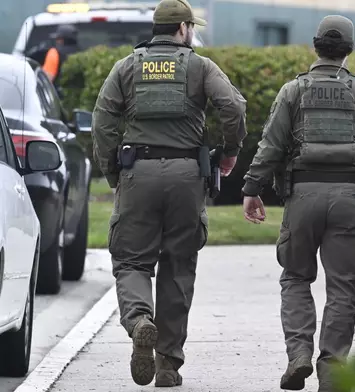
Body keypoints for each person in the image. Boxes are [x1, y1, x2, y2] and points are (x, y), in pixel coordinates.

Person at [240, 15, 355, 392]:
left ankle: (298, 354)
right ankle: (331, 372)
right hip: (348, 200)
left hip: (302, 197)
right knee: (344, 288)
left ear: (315, 46)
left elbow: (271, 146)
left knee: (296, 277)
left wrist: (252, 188)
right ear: (349, 49)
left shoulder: (292, 92)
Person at [91, 0, 247, 387]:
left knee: (131, 261)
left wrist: (113, 171)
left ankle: (141, 319)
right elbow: (232, 106)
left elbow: (103, 120)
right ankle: (167, 365)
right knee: (178, 268)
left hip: (137, 173)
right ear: (182, 29)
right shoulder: (200, 66)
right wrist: (229, 154)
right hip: (186, 175)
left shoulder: (126, 67)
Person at [42, 24, 80, 89]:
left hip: (58, 96)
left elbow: (47, 80)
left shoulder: (54, 52)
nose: (56, 41)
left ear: (62, 40)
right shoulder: (81, 53)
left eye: (58, 38)